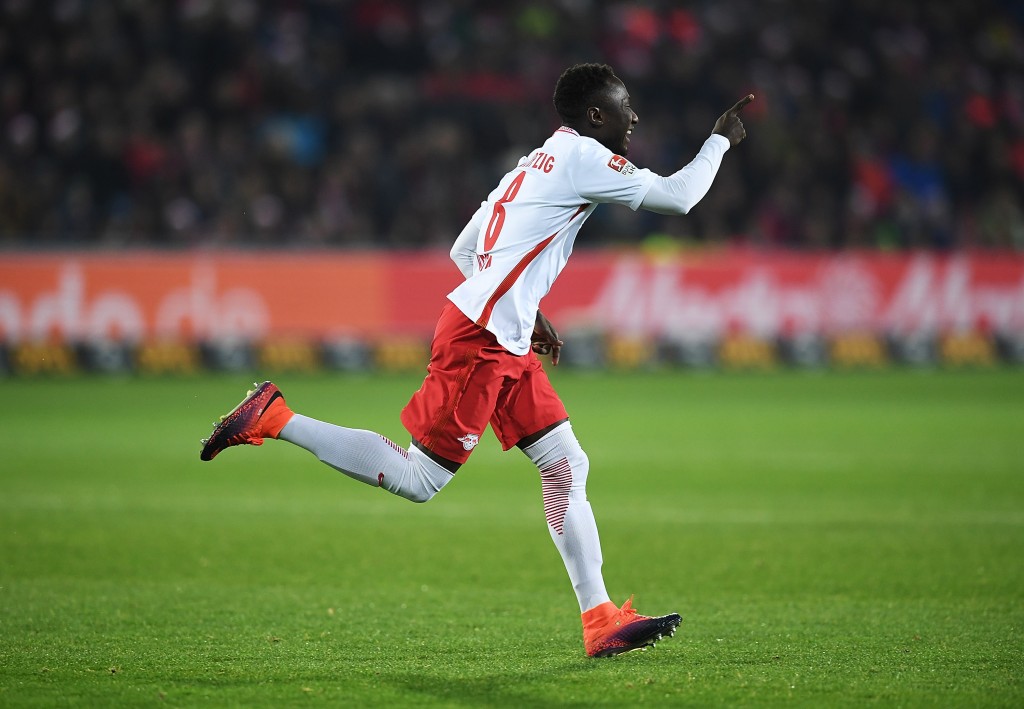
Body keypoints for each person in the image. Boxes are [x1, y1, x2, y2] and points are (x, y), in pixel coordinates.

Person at [200, 63, 752, 658]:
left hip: (502, 335)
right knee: (419, 479)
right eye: (625, 106)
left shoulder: (536, 160)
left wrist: (525, 310)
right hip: (481, 340)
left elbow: (465, 249)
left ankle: (599, 620)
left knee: (565, 463)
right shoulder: (585, 157)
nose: (635, 116)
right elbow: (679, 198)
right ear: (596, 115)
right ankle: (275, 417)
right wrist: (719, 139)